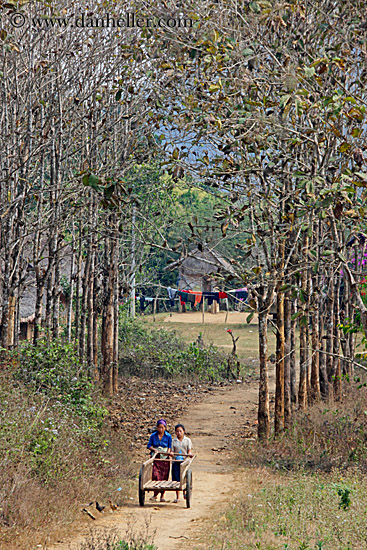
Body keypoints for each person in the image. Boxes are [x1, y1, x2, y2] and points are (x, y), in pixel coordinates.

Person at [147, 418, 173, 502]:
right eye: (159, 427)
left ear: (165, 428)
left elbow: (169, 447)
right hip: (156, 457)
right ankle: (155, 495)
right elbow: (149, 445)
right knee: (156, 475)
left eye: (162, 427)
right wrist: (154, 450)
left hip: (165, 458)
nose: (160, 429)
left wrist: (168, 452)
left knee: (164, 476)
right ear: (157, 427)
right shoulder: (153, 436)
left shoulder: (168, 436)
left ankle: (162, 495)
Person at [172, 423, 193, 503]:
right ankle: (177, 497)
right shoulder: (173, 441)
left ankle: (185, 492)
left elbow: (189, 451)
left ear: (183, 431)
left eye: (180, 431)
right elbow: (172, 451)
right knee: (176, 479)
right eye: (177, 431)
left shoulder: (187, 440)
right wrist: (171, 453)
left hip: (184, 462)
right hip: (176, 461)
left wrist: (189, 454)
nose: (179, 433)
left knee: (184, 478)